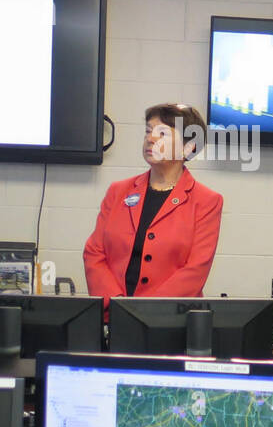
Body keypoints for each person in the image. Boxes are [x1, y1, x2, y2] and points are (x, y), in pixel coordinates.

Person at [84, 102, 224, 306]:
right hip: (112, 316)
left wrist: (147, 312)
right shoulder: (118, 191)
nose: (150, 139)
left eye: (162, 134)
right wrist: (116, 306)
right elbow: (94, 252)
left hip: (168, 324)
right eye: (148, 131)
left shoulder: (207, 201)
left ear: (188, 146)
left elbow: (195, 269)